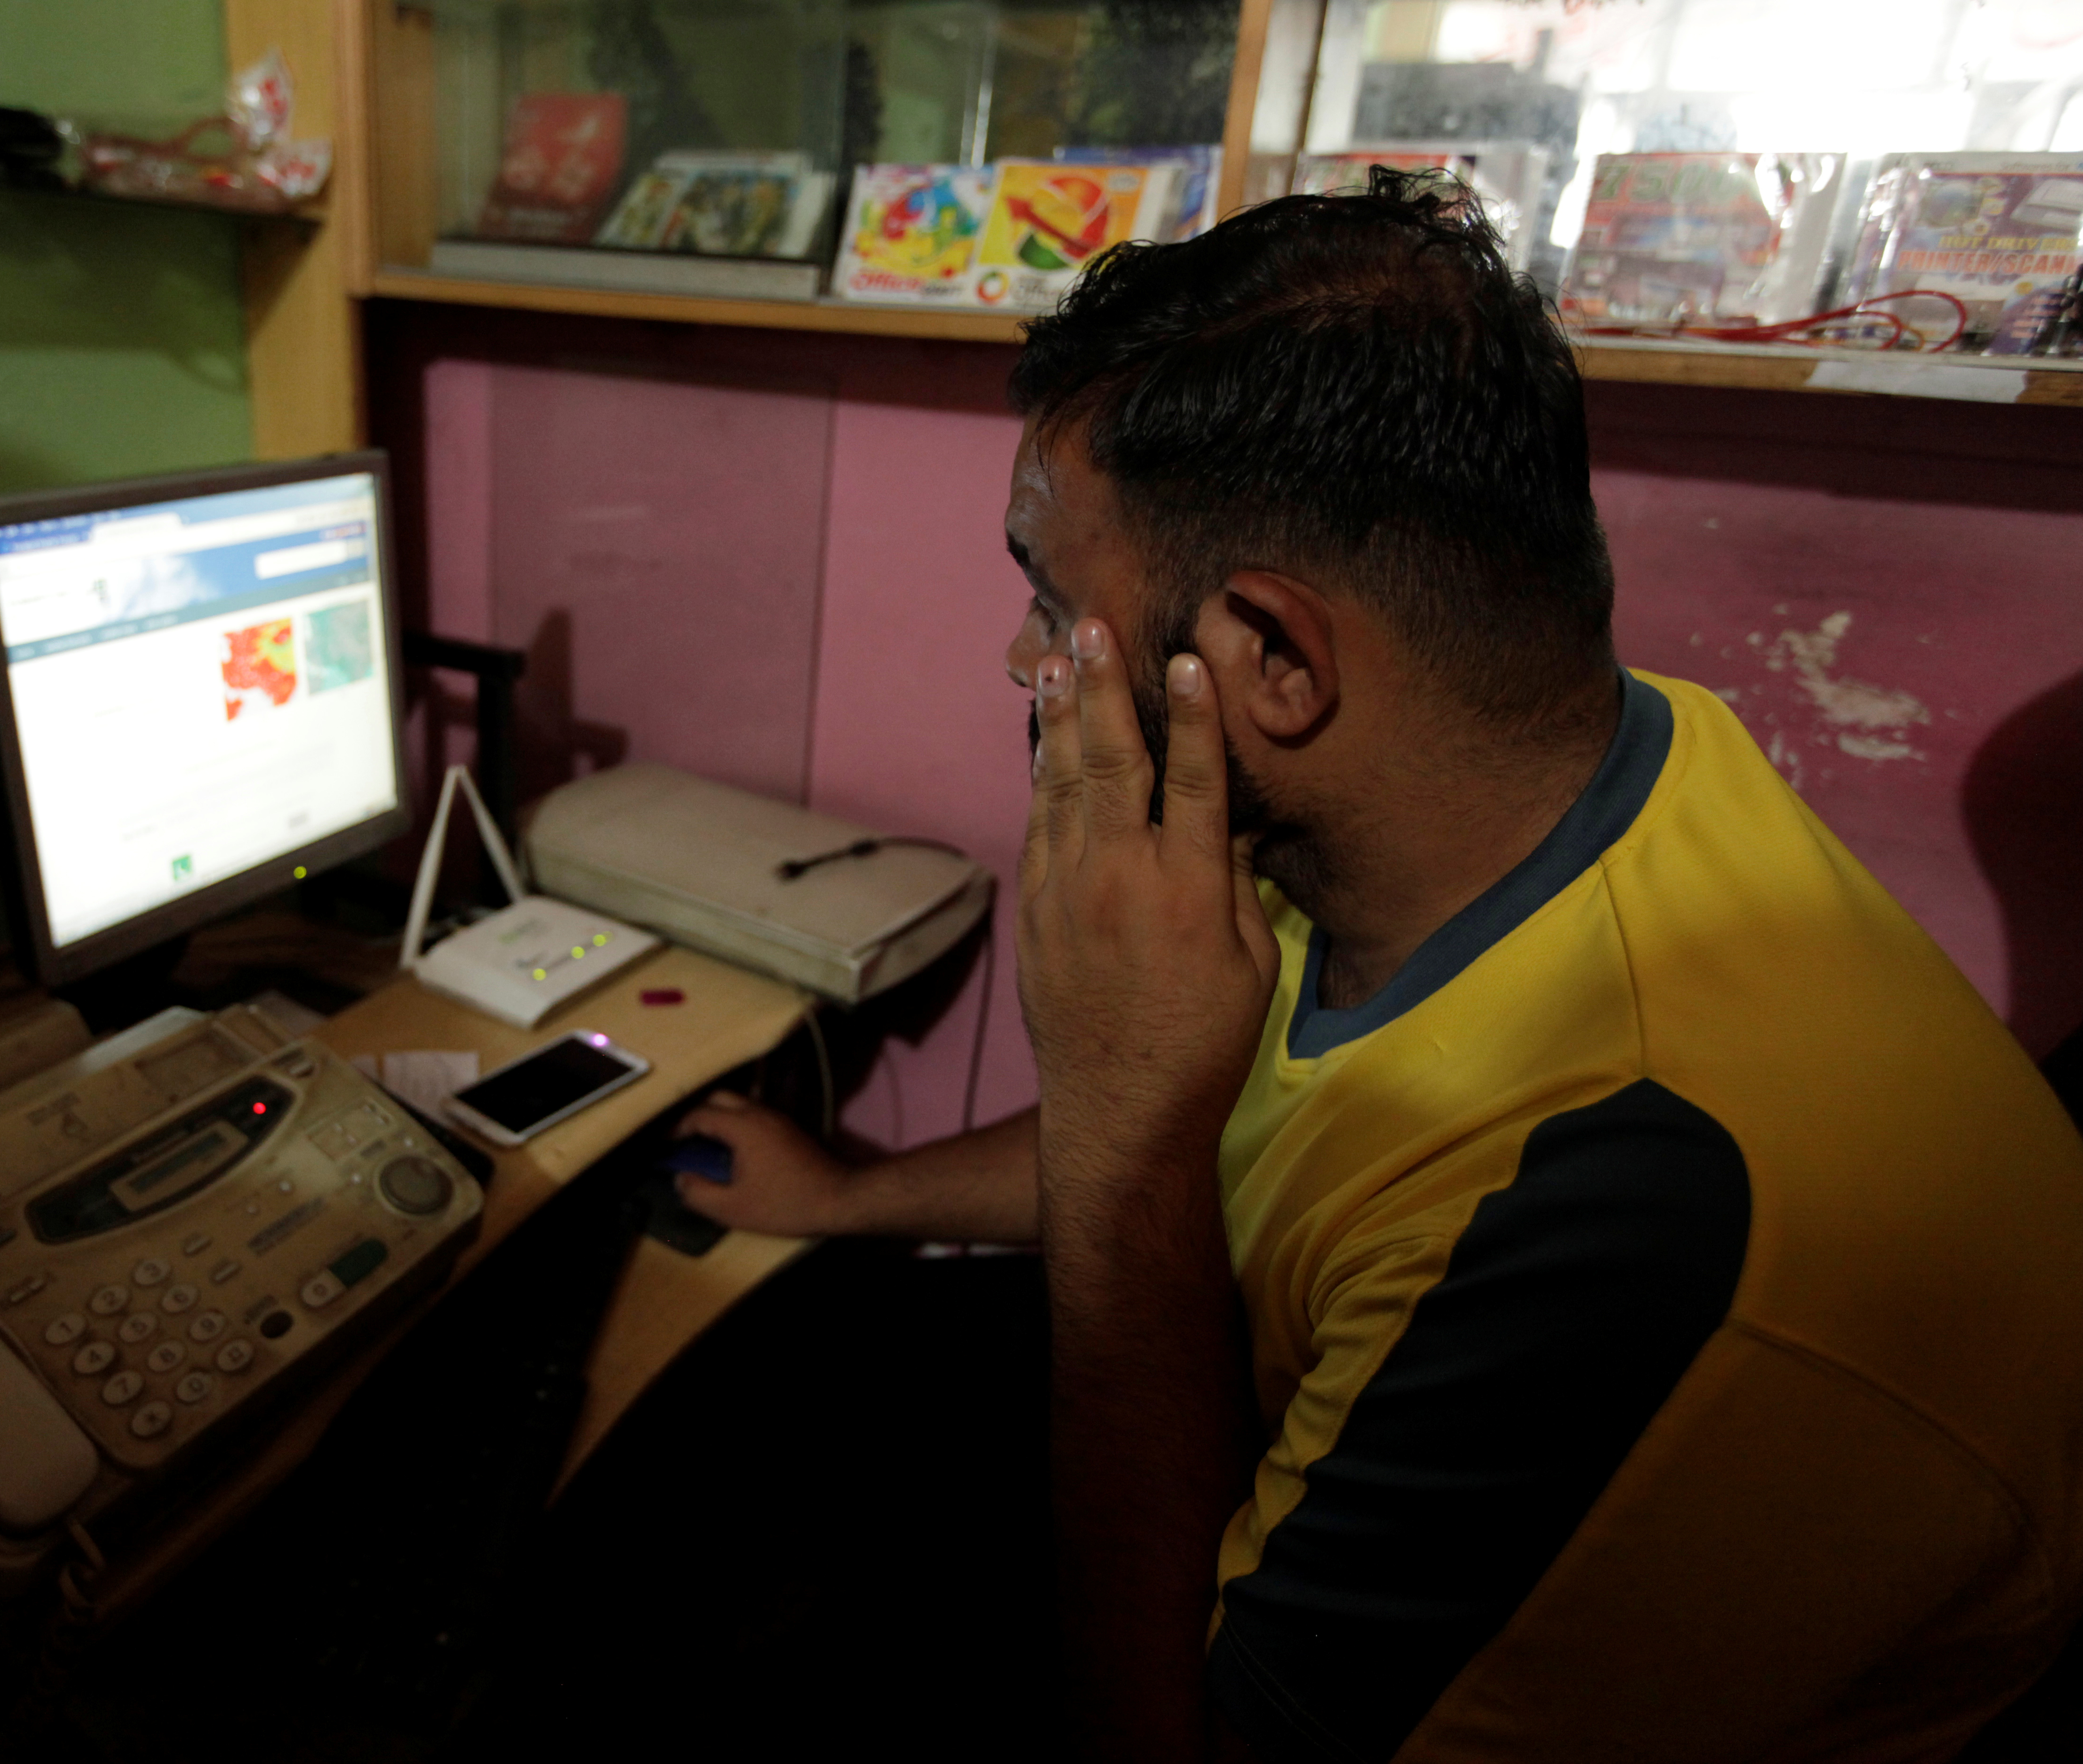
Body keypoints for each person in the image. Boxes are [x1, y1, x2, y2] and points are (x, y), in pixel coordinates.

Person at [658, 172, 2083, 1762]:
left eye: (1054, 602)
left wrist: (1121, 1101)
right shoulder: (1527, 772)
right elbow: (1255, 1127)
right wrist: (856, 1198)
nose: (1023, 659)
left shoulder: (1638, 1216)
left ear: (1273, 658)